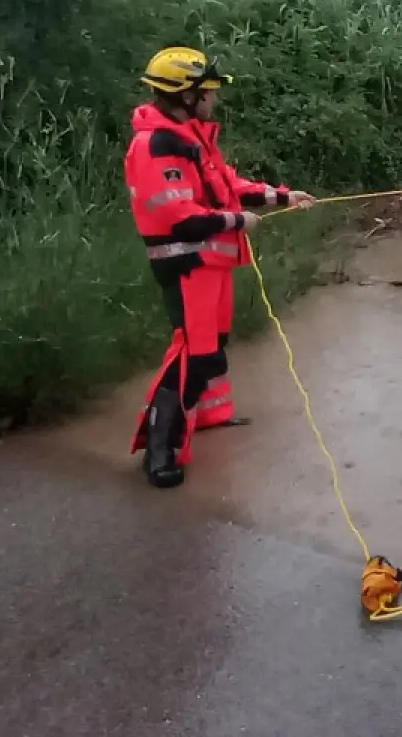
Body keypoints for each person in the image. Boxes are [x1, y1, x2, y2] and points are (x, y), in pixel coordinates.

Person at [126, 46, 314, 489]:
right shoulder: (155, 144)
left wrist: (281, 196)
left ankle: (202, 420)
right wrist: (237, 221)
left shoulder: (190, 137)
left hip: (210, 262)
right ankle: (159, 449)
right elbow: (180, 215)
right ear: (184, 95)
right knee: (194, 353)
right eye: (207, 91)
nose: (213, 99)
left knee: (210, 349)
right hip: (187, 262)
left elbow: (226, 183)